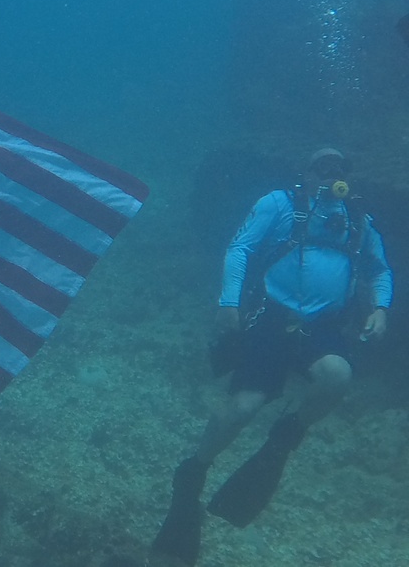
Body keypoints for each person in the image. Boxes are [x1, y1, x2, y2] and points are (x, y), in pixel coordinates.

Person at [151, 147, 393, 565]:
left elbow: (379, 269)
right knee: (242, 408)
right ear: (307, 171)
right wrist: (229, 301)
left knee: (337, 375)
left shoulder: (358, 221)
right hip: (272, 318)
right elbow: (241, 247)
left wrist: (381, 308)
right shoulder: (280, 204)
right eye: (323, 165)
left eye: (341, 166)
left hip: (322, 326)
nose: (333, 172)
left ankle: (286, 435)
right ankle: (195, 468)